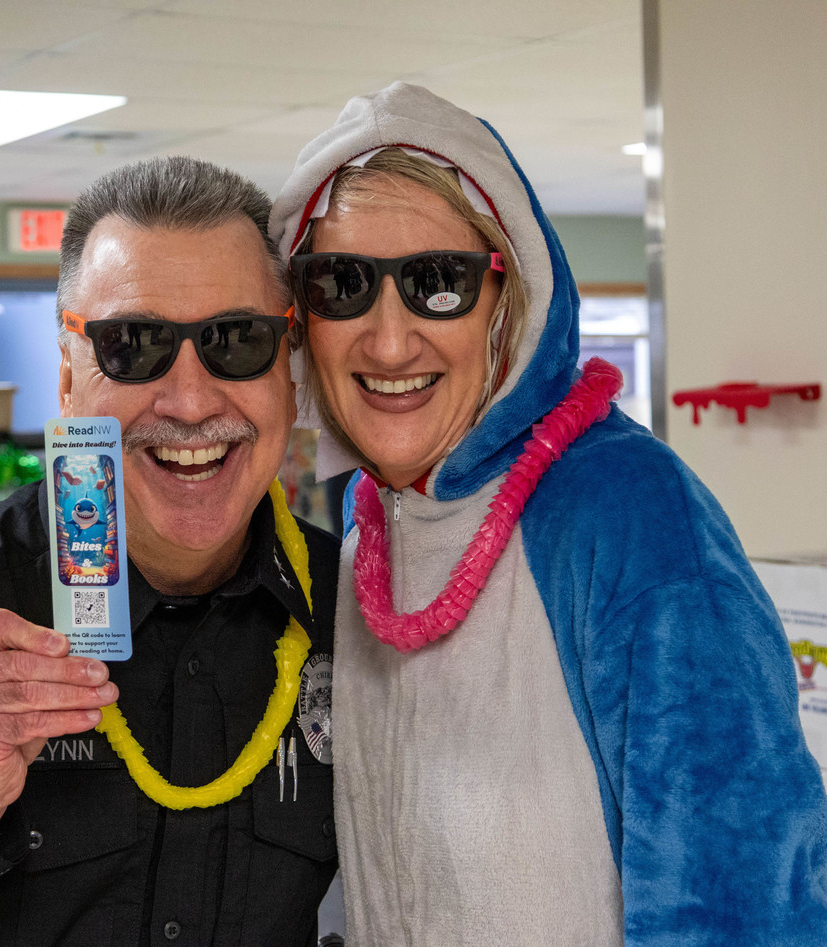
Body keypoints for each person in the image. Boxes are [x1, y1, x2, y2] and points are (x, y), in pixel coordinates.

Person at [270, 81, 827, 945]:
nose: (387, 340)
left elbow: (741, 899)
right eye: (340, 283)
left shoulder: (629, 514)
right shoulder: (370, 524)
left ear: (509, 298)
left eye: (437, 283)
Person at [0, 156, 339, 946]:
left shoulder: (352, 618)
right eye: (134, 344)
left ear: (290, 374)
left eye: (237, 340)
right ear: (69, 378)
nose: (193, 400)